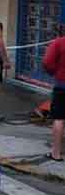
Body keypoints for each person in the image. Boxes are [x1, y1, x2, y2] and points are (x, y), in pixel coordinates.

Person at [42, 26, 65, 162]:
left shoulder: (58, 42)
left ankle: (56, 153)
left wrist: (54, 73)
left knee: (59, 118)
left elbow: (47, 63)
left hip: (62, 85)